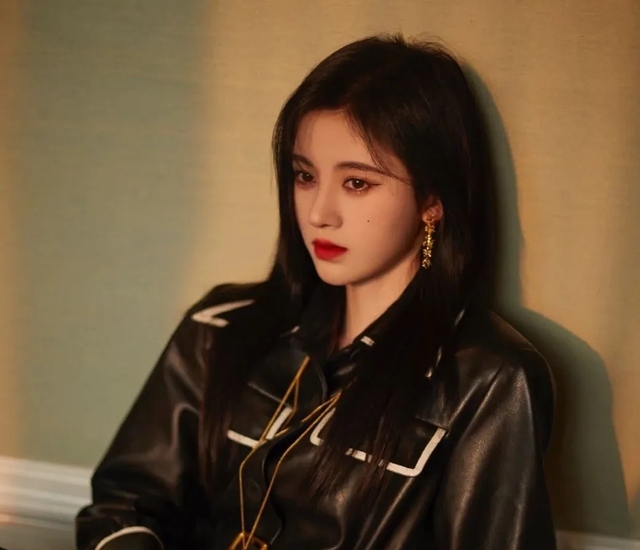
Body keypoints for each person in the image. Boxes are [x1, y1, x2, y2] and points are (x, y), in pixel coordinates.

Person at [76, 34, 557, 550]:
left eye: (357, 183)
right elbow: (124, 501)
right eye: (305, 175)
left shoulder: (491, 382)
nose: (318, 213)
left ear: (432, 202)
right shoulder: (218, 329)